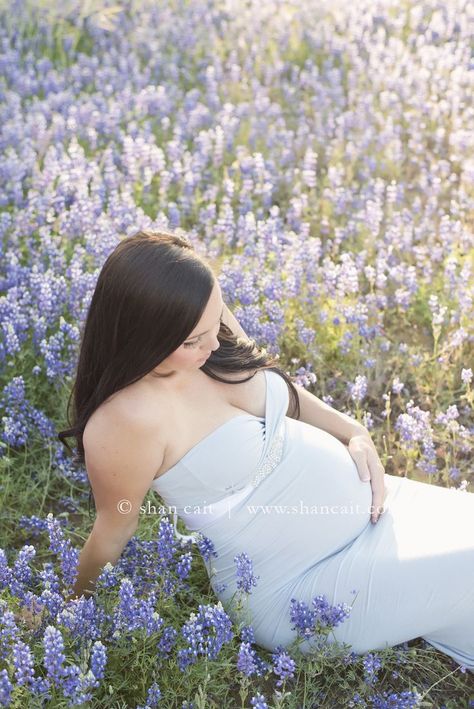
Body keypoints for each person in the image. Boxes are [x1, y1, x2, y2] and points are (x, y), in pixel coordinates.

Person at [58, 229, 474, 671]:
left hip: (381, 513)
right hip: (302, 587)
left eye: (214, 322)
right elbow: (113, 529)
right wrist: (70, 614)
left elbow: (284, 393)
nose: (214, 343)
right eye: (191, 342)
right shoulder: (124, 423)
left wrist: (351, 429)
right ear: (142, 336)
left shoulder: (201, 319)